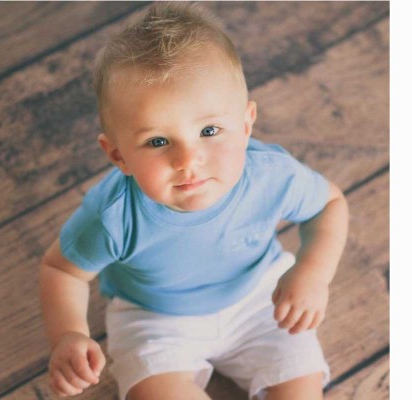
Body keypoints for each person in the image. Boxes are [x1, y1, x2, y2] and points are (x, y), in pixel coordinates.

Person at [39, 3, 349, 400]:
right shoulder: (114, 215)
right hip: (155, 317)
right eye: (158, 141)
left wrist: (313, 274)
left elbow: (329, 204)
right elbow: (61, 270)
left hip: (260, 296)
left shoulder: (270, 175)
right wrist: (68, 334)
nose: (188, 160)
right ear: (118, 155)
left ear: (245, 124)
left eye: (209, 130)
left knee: (301, 390)